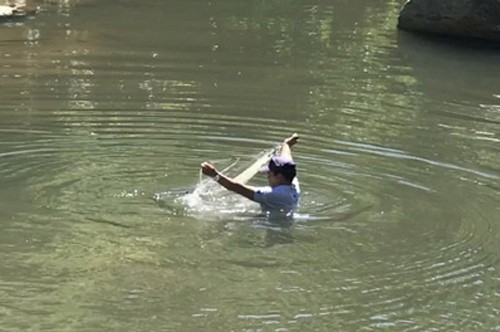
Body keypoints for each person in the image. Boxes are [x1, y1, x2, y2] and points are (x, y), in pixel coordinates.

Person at [200, 134, 300, 217]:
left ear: (279, 176)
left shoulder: (274, 194)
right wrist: (286, 144)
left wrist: (214, 174)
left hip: (273, 228)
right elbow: (286, 157)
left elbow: (235, 187)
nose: (268, 177)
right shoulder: (293, 184)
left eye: (270, 174)